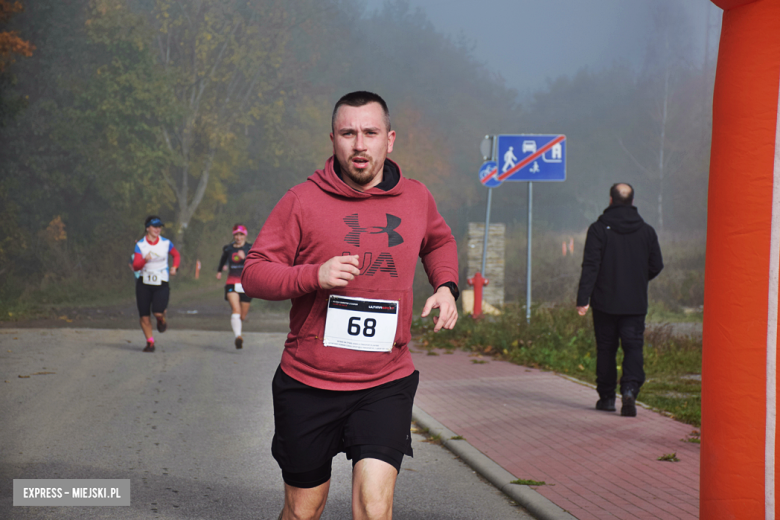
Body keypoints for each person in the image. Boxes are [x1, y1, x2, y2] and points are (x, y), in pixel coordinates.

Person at [242, 91, 459, 520]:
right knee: (305, 509)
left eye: (370, 133)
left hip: (384, 380)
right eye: (348, 133)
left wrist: (447, 285)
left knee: (373, 507)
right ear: (333, 139)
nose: (359, 144)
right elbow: (254, 272)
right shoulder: (302, 200)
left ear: (389, 139)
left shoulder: (416, 198)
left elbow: (439, 241)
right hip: (308, 382)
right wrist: (312, 275)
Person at [576, 183, 663, 417]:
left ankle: (606, 398)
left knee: (606, 348)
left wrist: (583, 298)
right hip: (635, 303)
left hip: (605, 302)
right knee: (633, 347)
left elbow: (591, 266)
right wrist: (637, 279)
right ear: (632, 202)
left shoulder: (598, 230)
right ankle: (630, 391)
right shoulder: (647, 231)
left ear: (611, 200)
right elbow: (657, 265)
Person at [132, 216, 180, 352]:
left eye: (159, 227)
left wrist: (175, 267)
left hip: (161, 282)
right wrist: (144, 260)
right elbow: (136, 266)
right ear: (147, 228)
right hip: (144, 283)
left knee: (158, 312)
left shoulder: (166, 243)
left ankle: (161, 319)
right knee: (144, 315)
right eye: (154, 227)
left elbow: (176, 255)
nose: (157, 229)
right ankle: (150, 342)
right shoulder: (140, 245)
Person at [216, 224, 253, 349]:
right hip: (232, 282)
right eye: (236, 234)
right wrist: (220, 271)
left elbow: (256, 263)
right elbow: (223, 259)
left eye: (241, 234)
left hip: (246, 284)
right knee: (235, 310)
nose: (238, 237)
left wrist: (245, 258)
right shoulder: (228, 248)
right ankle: (238, 336)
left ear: (245, 235)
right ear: (233, 235)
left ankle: (240, 324)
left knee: (242, 315)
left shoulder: (250, 248)